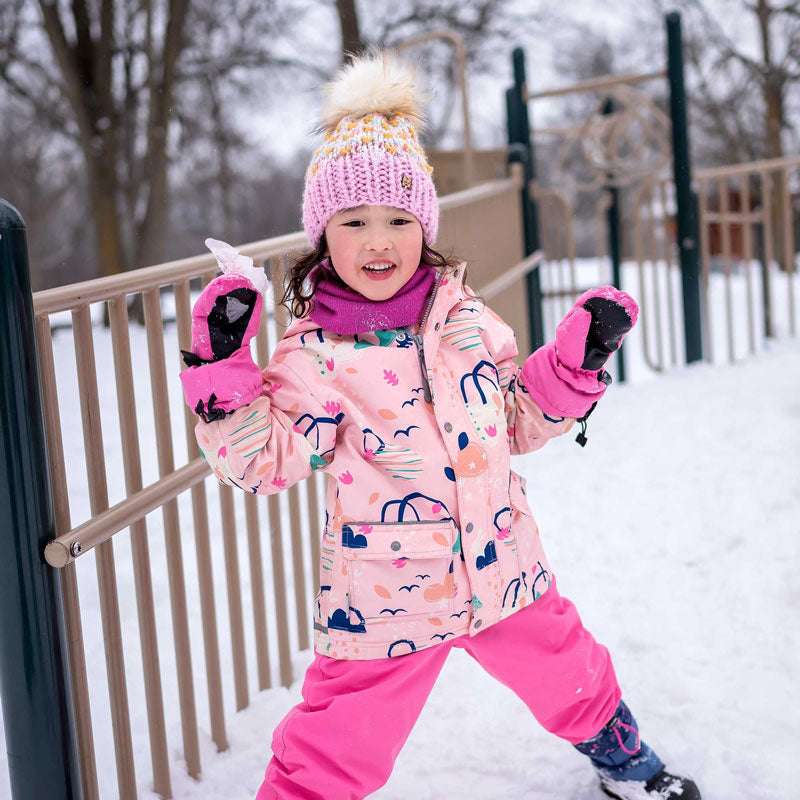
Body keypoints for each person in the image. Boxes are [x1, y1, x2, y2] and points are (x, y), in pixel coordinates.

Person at [180, 51, 701, 800]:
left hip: (502, 563)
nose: (379, 241)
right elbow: (262, 462)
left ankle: (621, 759)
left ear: (424, 226)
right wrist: (223, 365)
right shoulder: (316, 356)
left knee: (570, 669)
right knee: (334, 745)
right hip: (388, 596)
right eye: (354, 222)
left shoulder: (464, 319)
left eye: (398, 219)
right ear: (323, 236)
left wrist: (573, 364)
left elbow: (515, 418)